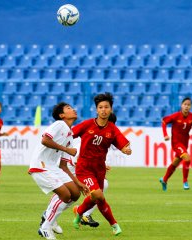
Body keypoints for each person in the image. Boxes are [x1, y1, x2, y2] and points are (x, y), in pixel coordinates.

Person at [39, 113, 118, 232]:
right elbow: (77, 160)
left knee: (82, 193)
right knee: (69, 194)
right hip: (72, 169)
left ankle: (79, 214)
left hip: (77, 169)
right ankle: (50, 216)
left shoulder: (100, 137)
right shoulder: (90, 136)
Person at [72, 93, 132, 236]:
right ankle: (115, 225)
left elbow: (122, 144)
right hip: (84, 167)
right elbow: (69, 135)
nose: (103, 110)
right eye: (100, 107)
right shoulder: (87, 124)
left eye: (106, 107)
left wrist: (126, 150)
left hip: (99, 169)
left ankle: (79, 212)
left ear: (111, 109)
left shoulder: (112, 129)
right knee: (98, 195)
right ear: (96, 110)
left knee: (95, 198)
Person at [29, 102, 89, 240]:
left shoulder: (70, 134)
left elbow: (64, 166)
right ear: (62, 115)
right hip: (41, 165)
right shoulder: (58, 124)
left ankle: (49, 215)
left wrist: (78, 183)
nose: (73, 109)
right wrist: (67, 149)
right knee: (64, 194)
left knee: (75, 193)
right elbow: (45, 140)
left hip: (53, 167)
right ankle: (45, 227)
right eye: (68, 108)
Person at [159, 97, 192, 191]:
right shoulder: (176, 116)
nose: (186, 106)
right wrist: (165, 134)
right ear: (181, 105)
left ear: (191, 106)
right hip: (176, 143)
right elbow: (164, 121)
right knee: (187, 158)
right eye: (185, 104)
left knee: (176, 162)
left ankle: (164, 179)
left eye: (188, 105)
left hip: (184, 144)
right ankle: (185, 181)